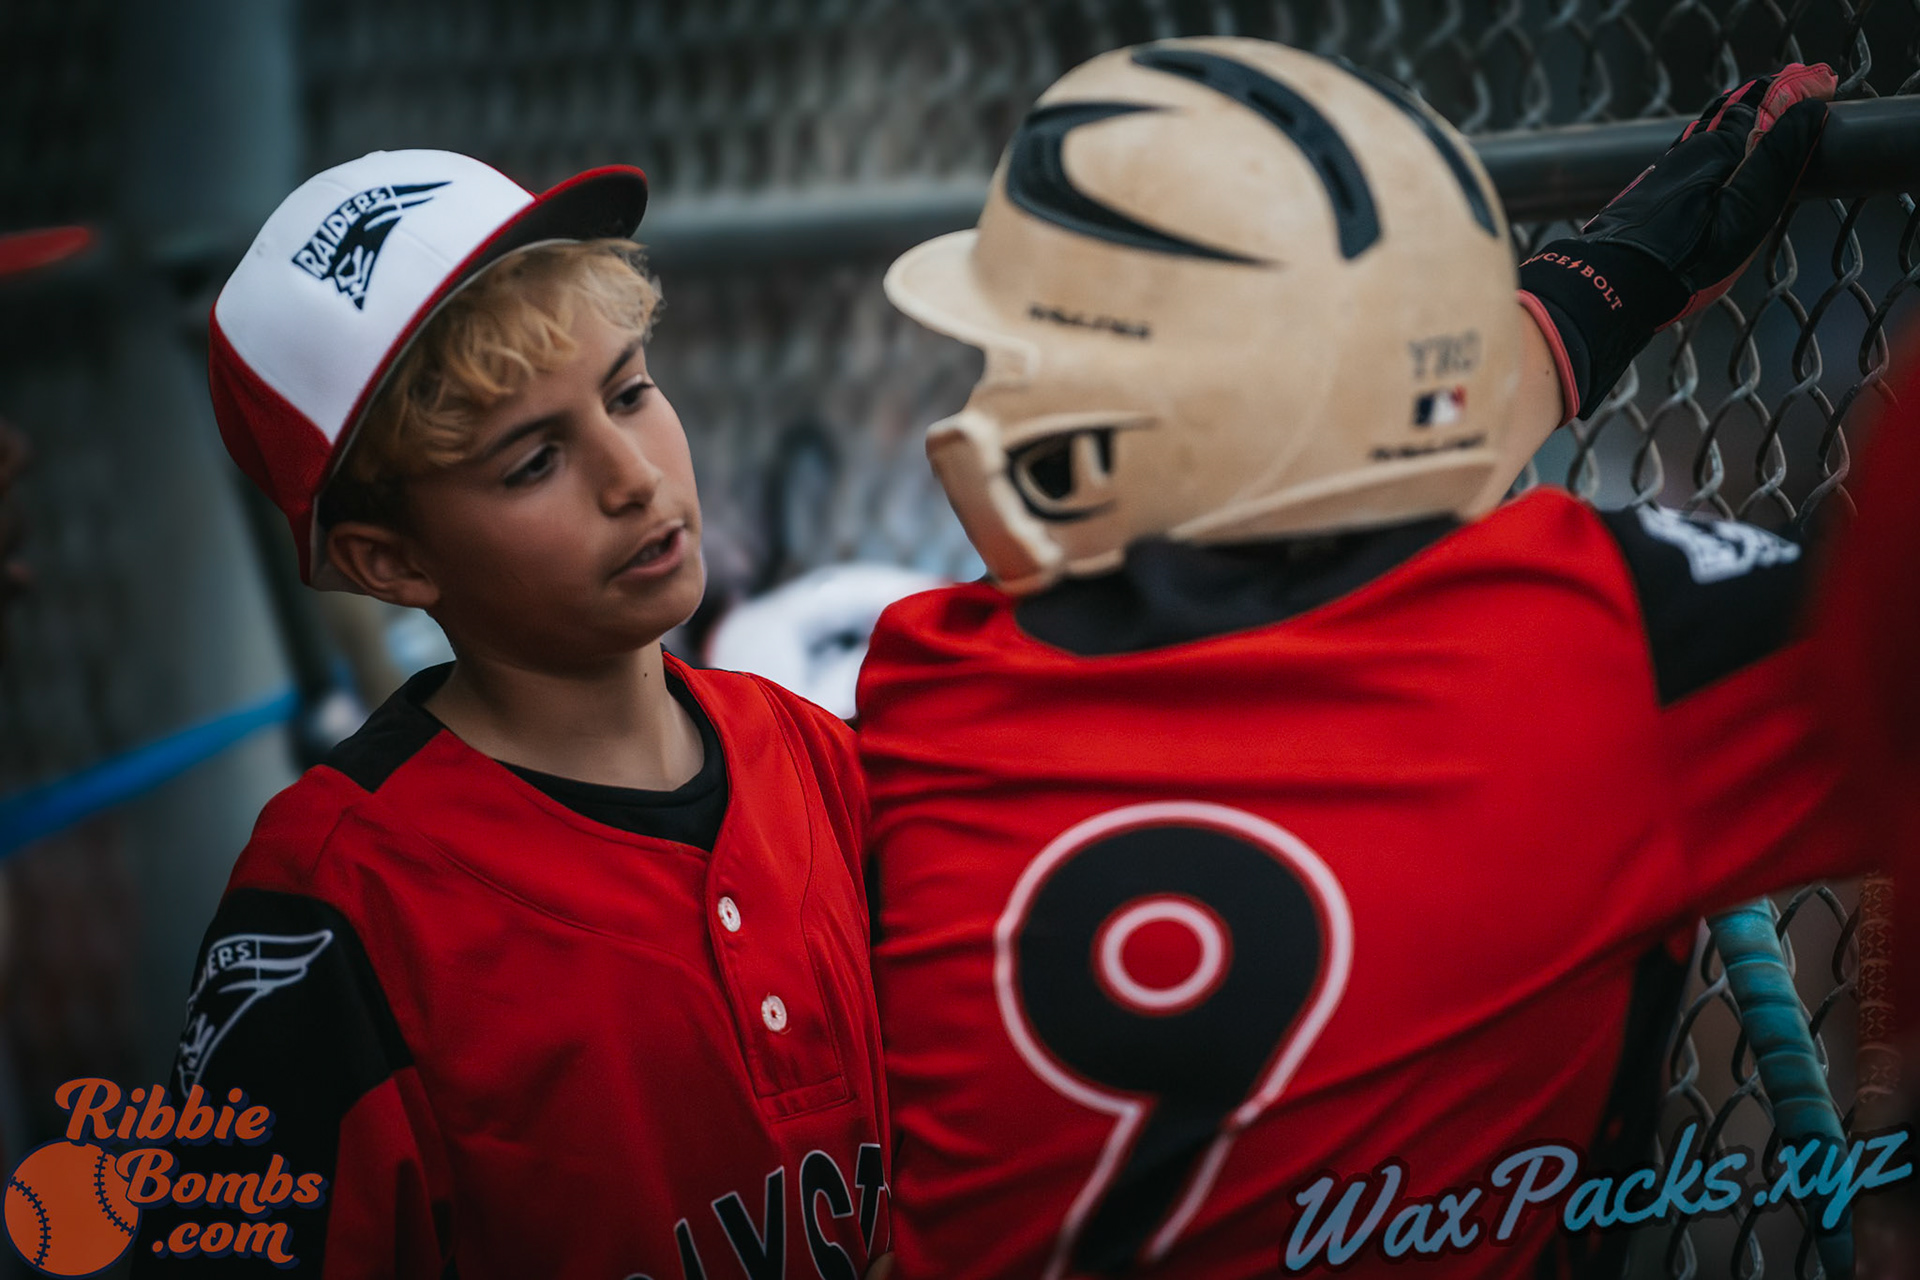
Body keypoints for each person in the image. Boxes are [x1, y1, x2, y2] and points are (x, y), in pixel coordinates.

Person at [858, 38, 1852, 1278]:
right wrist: (1582, 304)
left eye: (1025, 354)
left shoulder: (928, 684)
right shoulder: (1598, 633)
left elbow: (1265, 500)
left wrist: (1574, 312)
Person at [134, 152, 891, 1277]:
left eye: (630, 390)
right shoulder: (330, 913)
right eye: (533, 458)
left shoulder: (814, 755)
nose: (634, 475)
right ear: (388, 559)